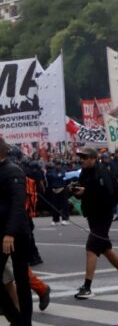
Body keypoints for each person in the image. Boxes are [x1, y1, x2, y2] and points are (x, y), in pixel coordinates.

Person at [71, 148, 118, 299]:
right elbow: (84, 191)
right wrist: (75, 189)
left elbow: (108, 193)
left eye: (85, 157)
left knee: (91, 247)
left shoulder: (103, 172)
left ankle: (87, 287)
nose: (82, 160)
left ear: (93, 158)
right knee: (105, 248)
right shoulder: (85, 172)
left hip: (104, 214)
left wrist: (86, 192)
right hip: (92, 214)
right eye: (81, 157)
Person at [0, 138, 32, 326]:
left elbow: (18, 204)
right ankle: (17, 319)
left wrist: (10, 233)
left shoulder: (13, 171)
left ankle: (23, 321)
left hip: (15, 234)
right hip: (4, 231)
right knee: (20, 278)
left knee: (22, 279)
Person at [46, 161, 69, 226]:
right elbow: (49, 180)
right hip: (54, 190)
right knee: (54, 206)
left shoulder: (64, 171)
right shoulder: (52, 172)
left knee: (64, 205)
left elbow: (67, 180)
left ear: (61, 165)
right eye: (56, 164)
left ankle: (65, 219)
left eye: (59, 165)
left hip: (62, 189)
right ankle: (55, 220)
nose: (57, 166)